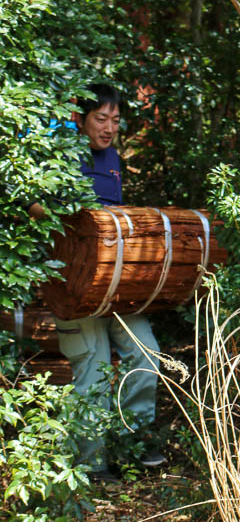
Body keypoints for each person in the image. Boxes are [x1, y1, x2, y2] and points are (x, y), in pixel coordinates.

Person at [29, 84, 164, 477]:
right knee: (93, 367)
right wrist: (70, 222)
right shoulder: (60, 153)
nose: (108, 128)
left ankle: (132, 445)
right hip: (74, 282)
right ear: (81, 119)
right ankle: (91, 463)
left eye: (115, 120)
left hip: (115, 281)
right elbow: (32, 202)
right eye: (100, 119)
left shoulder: (111, 158)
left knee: (146, 354)